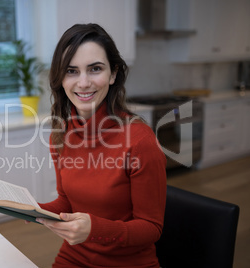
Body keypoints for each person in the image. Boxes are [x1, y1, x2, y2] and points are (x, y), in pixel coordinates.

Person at [36, 23, 167, 268]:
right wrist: (33, 210)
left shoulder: (140, 141)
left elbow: (151, 228)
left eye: (95, 69)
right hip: (74, 256)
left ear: (113, 73)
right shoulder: (62, 135)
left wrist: (94, 229)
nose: (83, 83)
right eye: (71, 71)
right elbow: (67, 201)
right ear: (60, 78)